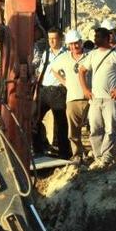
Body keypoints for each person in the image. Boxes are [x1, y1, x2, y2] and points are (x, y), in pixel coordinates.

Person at [78, 26, 116, 168]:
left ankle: (107, 157)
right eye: (95, 37)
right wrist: (85, 89)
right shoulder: (93, 55)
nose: (95, 40)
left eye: (98, 37)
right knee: (95, 129)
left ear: (107, 38)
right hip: (95, 99)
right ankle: (99, 157)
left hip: (110, 99)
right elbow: (82, 71)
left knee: (111, 128)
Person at [50, 29, 89, 164]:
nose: (74, 46)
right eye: (71, 44)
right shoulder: (64, 57)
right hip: (72, 98)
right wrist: (64, 82)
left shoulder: (90, 56)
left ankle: (97, 153)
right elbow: (54, 69)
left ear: (81, 42)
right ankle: (77, 154)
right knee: (73, 131)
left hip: (89, 98)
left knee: (94, 128)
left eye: (76, 43)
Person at [32, 28, 70, 159]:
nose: (51, 41)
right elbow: (41, 71)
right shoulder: (46, 53)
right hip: (43, 90)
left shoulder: (66, 55)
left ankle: (63, 152)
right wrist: (37, 91)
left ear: (60, 39)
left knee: (61, 123)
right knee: (34, 119)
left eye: (54, 38)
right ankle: (38, 148)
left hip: (58, 91)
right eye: (49, 38)